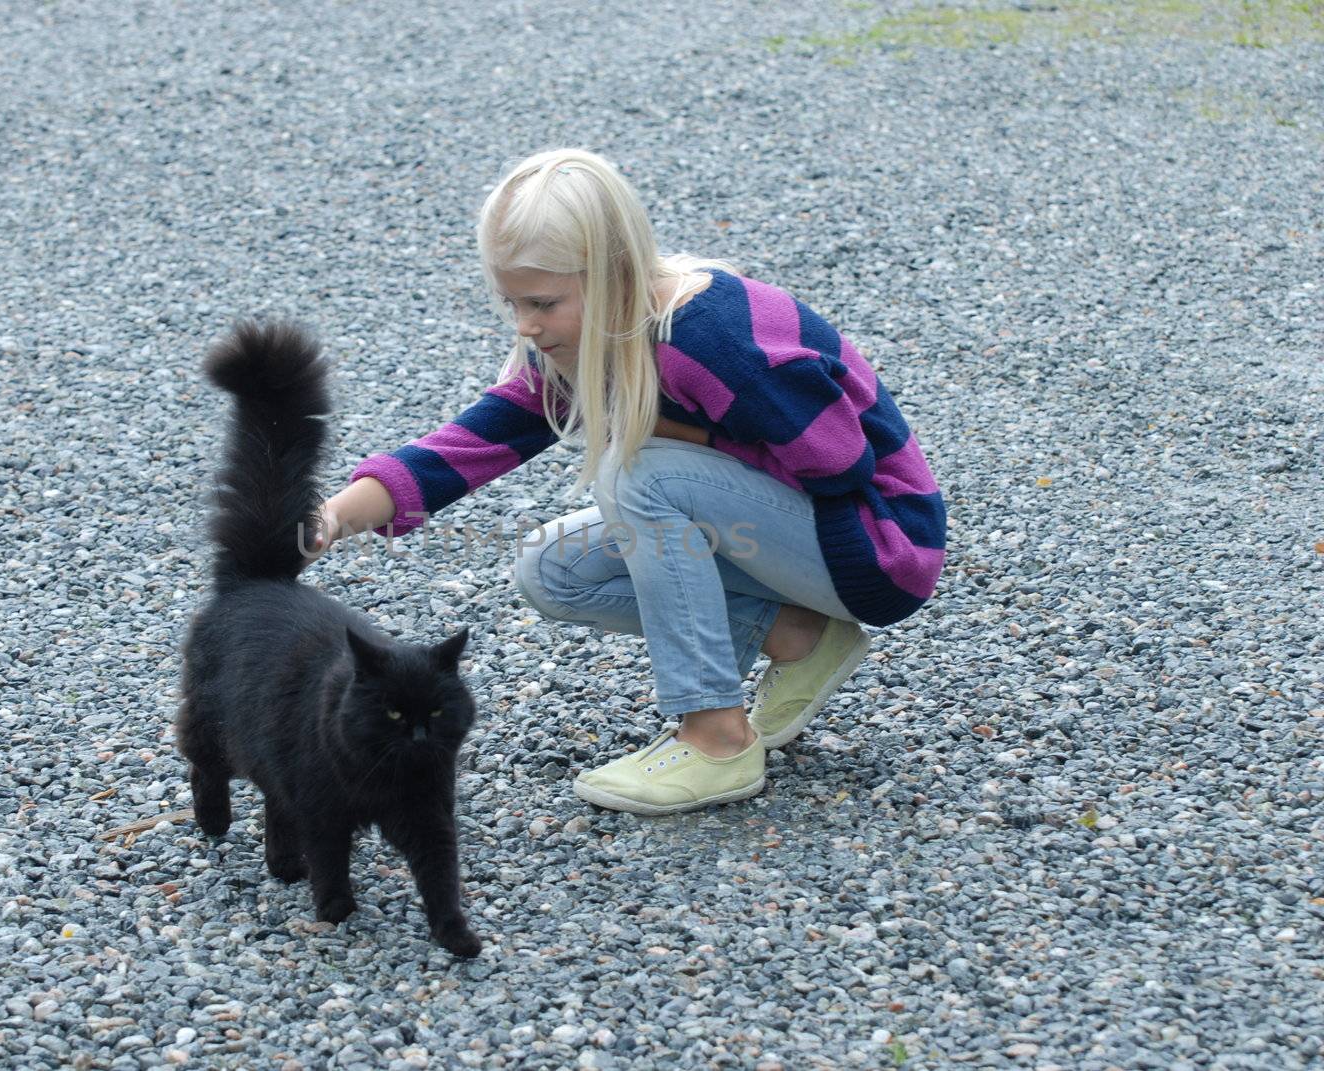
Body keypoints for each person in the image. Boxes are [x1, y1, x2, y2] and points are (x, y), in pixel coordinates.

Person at [309, 148, 946, 816]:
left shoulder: (711, 337)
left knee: (638, 472)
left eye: (543, 302)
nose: (525, 323)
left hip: (877, 544)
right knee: (551, 569)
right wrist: (333, 517)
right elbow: (476, 441)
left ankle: (716, 738)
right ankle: (801, 635)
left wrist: (685, 437)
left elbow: (840, 461)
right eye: (512, 302)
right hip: (798, 537)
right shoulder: (591, 338)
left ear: (612, 271)